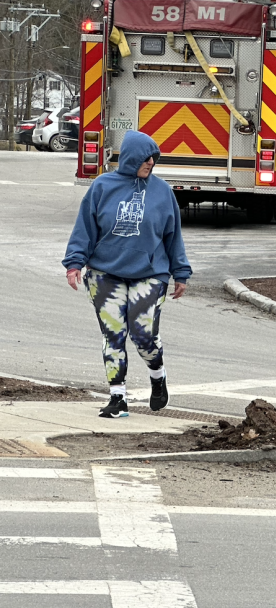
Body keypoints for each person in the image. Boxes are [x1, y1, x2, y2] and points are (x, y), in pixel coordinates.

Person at [63, 131, 192, 418]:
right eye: (145, 157)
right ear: (131, 157)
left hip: (150, 274)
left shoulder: (162, 192)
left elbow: (173, 237)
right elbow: (85, 228)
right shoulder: (102, 186)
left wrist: (180, 272)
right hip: (104, 273)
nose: (150, 162)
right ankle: (117, 397)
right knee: (114, 335)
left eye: (153, 158)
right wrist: (74, 263)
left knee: (143, 334)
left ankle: (157, 376)